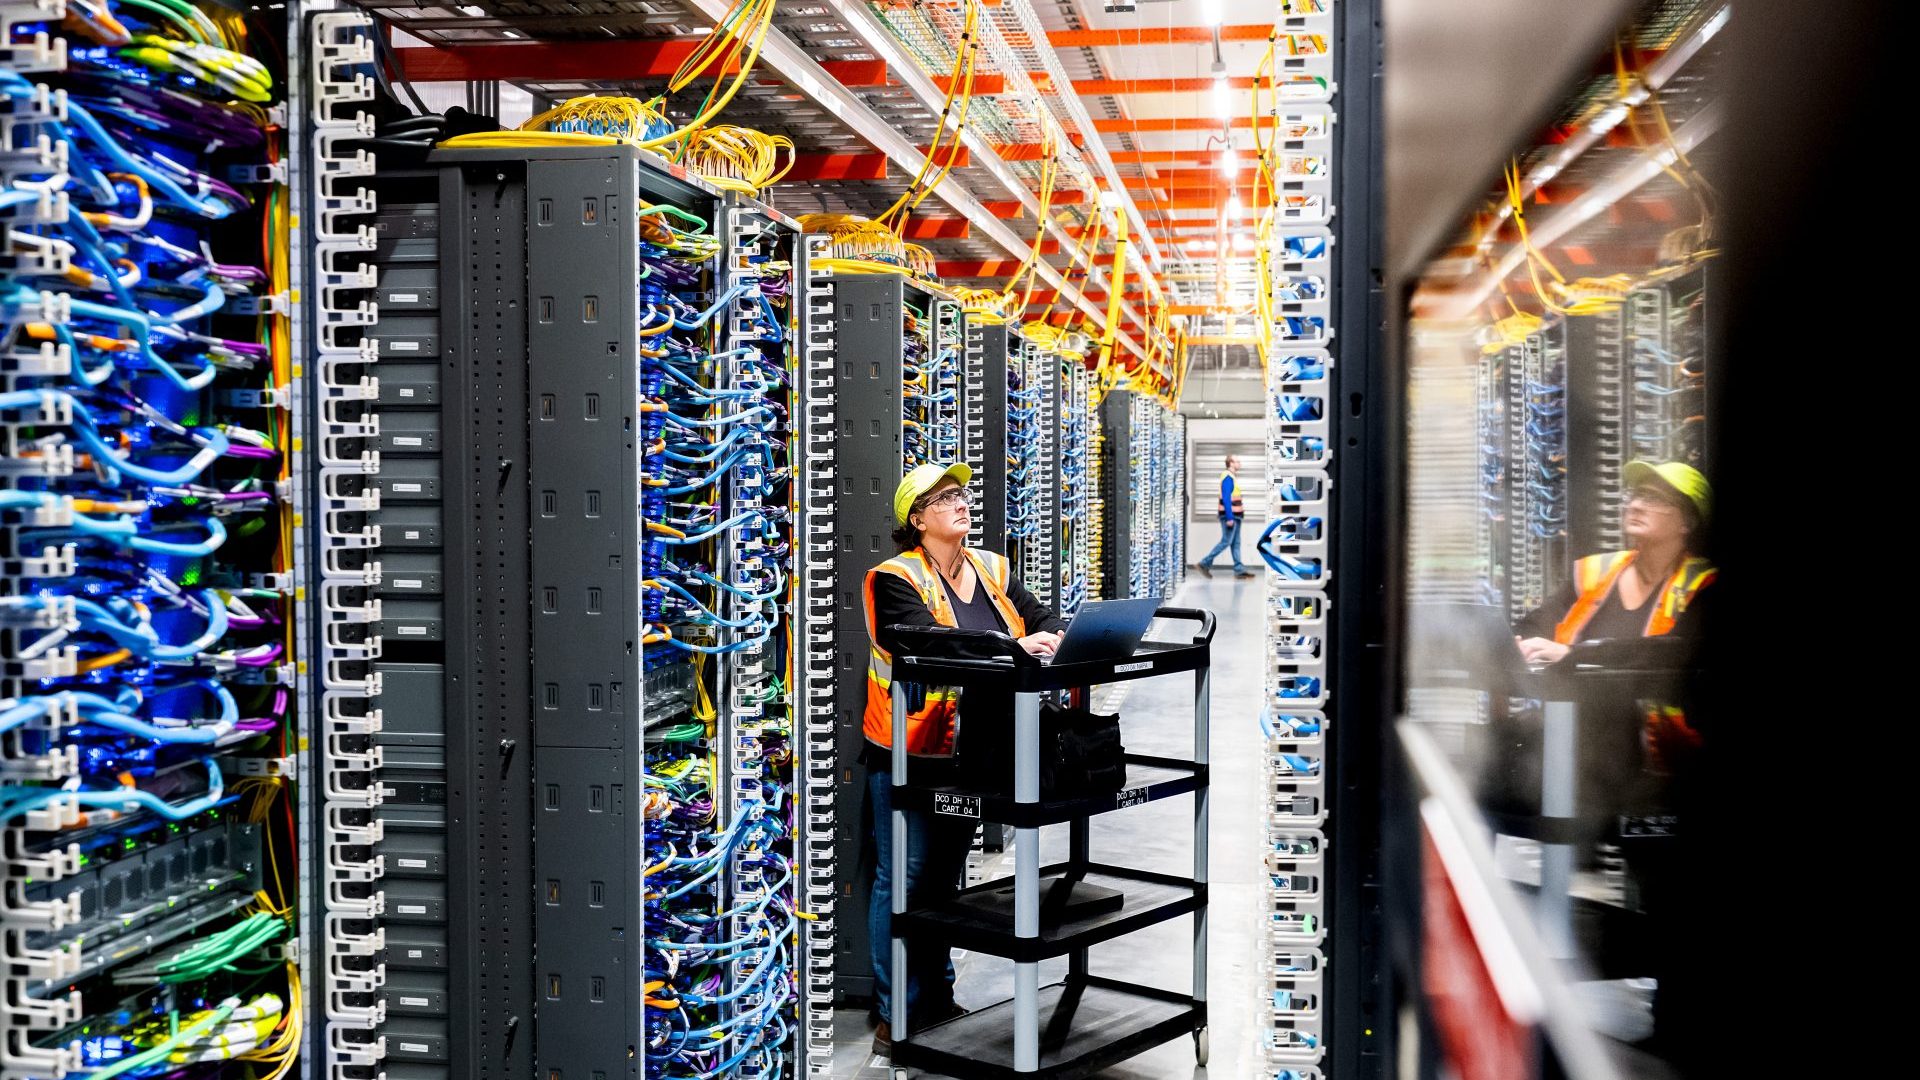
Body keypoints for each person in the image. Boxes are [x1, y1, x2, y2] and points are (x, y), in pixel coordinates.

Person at [861, 462, 1067, 1055]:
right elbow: (927, 639)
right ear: (916, 518)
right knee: (904, 877)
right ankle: (895, 1013)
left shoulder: (992, 568)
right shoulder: (893, 578)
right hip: (912, 750)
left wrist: (1054, 637)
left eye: (962, 494)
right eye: (944, 498)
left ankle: (940, 1000)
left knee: (946, 878)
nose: (960, 503)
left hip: (973, 750)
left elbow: (1038, 614)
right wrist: (1011, 646)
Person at [1514, 460, 1716, 661]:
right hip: (1576, 694)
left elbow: (1668, 653)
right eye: (1635, 495)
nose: (1635, 506)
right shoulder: (1596, 571)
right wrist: (1517, 643)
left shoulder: (1701, 586)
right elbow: (1539, 623)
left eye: (1655, 499)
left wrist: (1573, 655)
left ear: (1687, 522)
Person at [1196, 454, 1254, 578]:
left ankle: (1239, 569)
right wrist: (1229, 517)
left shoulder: (1231, 477)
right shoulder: (1227, 477)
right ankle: (1204, 563)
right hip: (1230, 516)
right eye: (1237, 461)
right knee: (1226, 541)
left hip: (1236, 516)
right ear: (1231, 463)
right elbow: (1227, 499)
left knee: (1236, 543)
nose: (1240, 464)